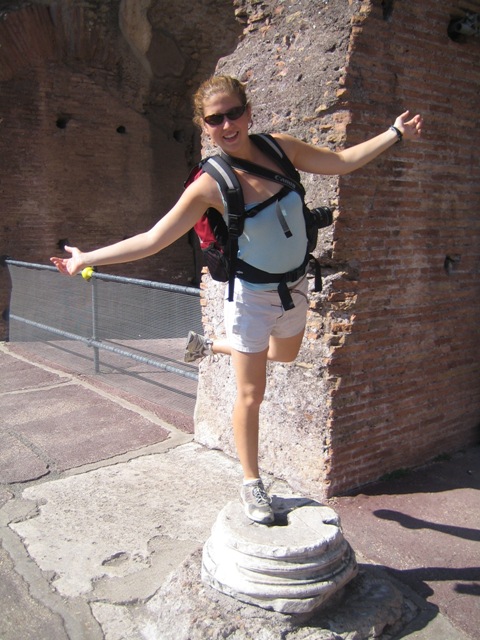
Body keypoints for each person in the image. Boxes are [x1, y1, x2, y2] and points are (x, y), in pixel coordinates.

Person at [51, 75, 423, 525]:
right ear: (204, 125)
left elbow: (342, 162)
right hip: (251, 296)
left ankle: (214, 345)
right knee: (252, 393)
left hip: (296, 285)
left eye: (233, 113)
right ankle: (251, 483)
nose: (226, 125)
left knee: (285, 354)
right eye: (215, 119)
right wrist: (85, 258)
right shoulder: (210, 184)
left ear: (248, 112)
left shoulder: (280, 149)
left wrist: (394, 133)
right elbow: (153, 239)